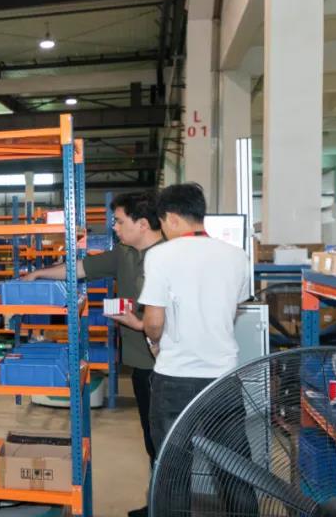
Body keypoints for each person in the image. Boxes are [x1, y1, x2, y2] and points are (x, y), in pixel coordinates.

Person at [110, 183, 257, 515]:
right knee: (234, 468)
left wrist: (153, 340)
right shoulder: (236, 255)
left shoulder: (162, 255)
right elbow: (232, 310)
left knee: (174, 471)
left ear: (172, 218)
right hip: (224, 379)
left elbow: (154, 322)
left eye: (162, 222)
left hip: (175, 378)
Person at [24, 190, 163, 517]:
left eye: (119, 221)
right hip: (142, 364)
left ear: (142, 223)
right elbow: (81, 268)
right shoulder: (125, 253)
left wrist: (141, 324)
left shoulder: (170, 256)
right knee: (154, 440)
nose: (114, 227)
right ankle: (159, 503)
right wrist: (39, 273)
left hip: (171, 366)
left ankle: (168, 505)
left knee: (171, 441)